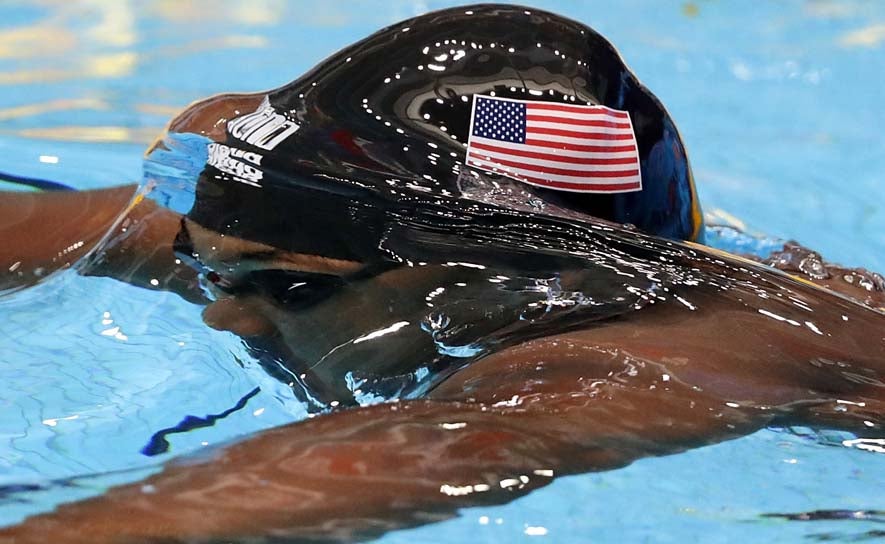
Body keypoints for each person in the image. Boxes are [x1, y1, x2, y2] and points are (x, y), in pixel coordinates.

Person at [1, 5, 883, 543]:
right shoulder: (311, 244)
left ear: (504, 285)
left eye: (290, 291)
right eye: (210, 265)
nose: (225, 320)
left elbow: (448, 447)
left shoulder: (648, 362)